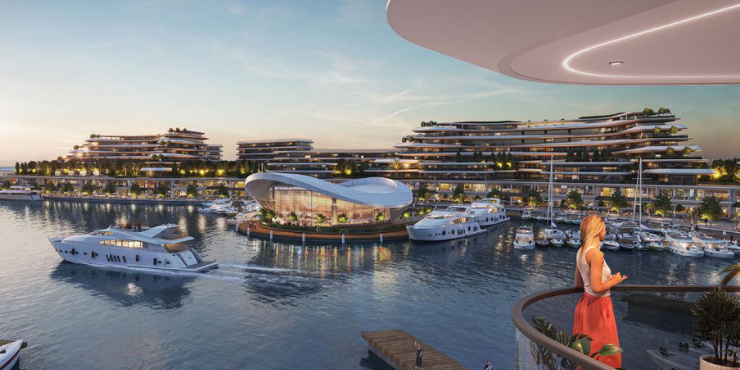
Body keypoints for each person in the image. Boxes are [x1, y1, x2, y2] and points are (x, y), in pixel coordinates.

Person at [574, 214, 627, 368]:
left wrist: (601, 280)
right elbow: (597, 289)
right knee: (604, 352)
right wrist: (614, 280)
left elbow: (578, 283)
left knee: (585, 351)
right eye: (604, 228)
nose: (606, 231)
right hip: (599, 306)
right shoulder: (596, 254)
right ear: (598, 230)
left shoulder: (581, 251)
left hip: (585, 304)